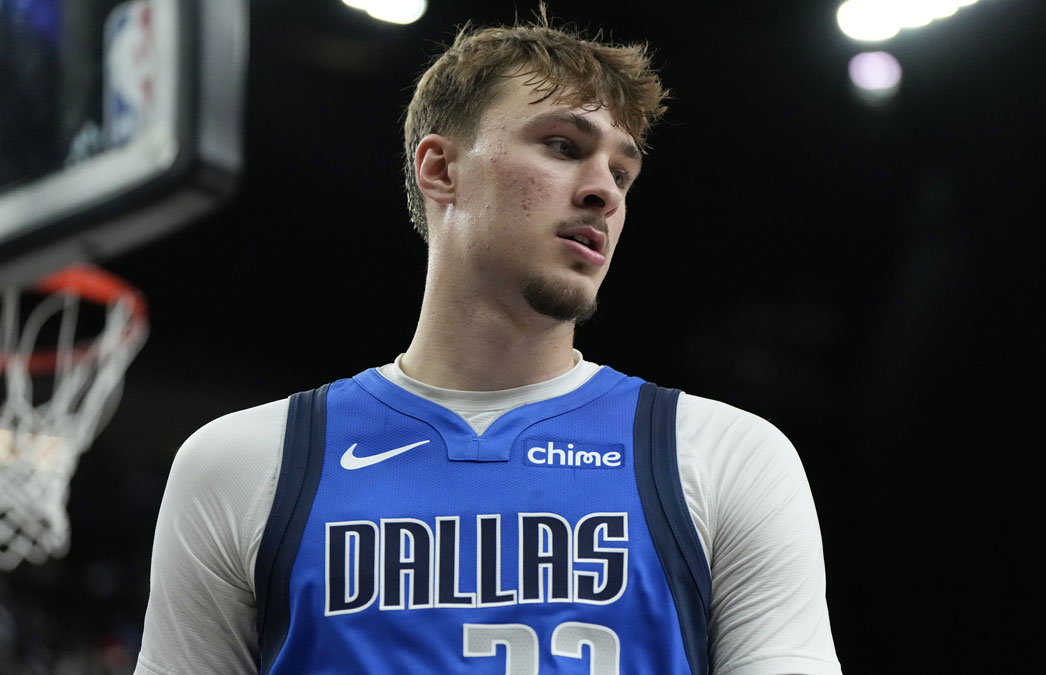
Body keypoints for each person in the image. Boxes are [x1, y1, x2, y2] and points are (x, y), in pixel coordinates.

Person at [134, 10, 842, 675]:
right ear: (441, 169)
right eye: (563, 146)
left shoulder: (726, 457)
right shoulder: (243, 462)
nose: (605, 191)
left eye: (621, 172)